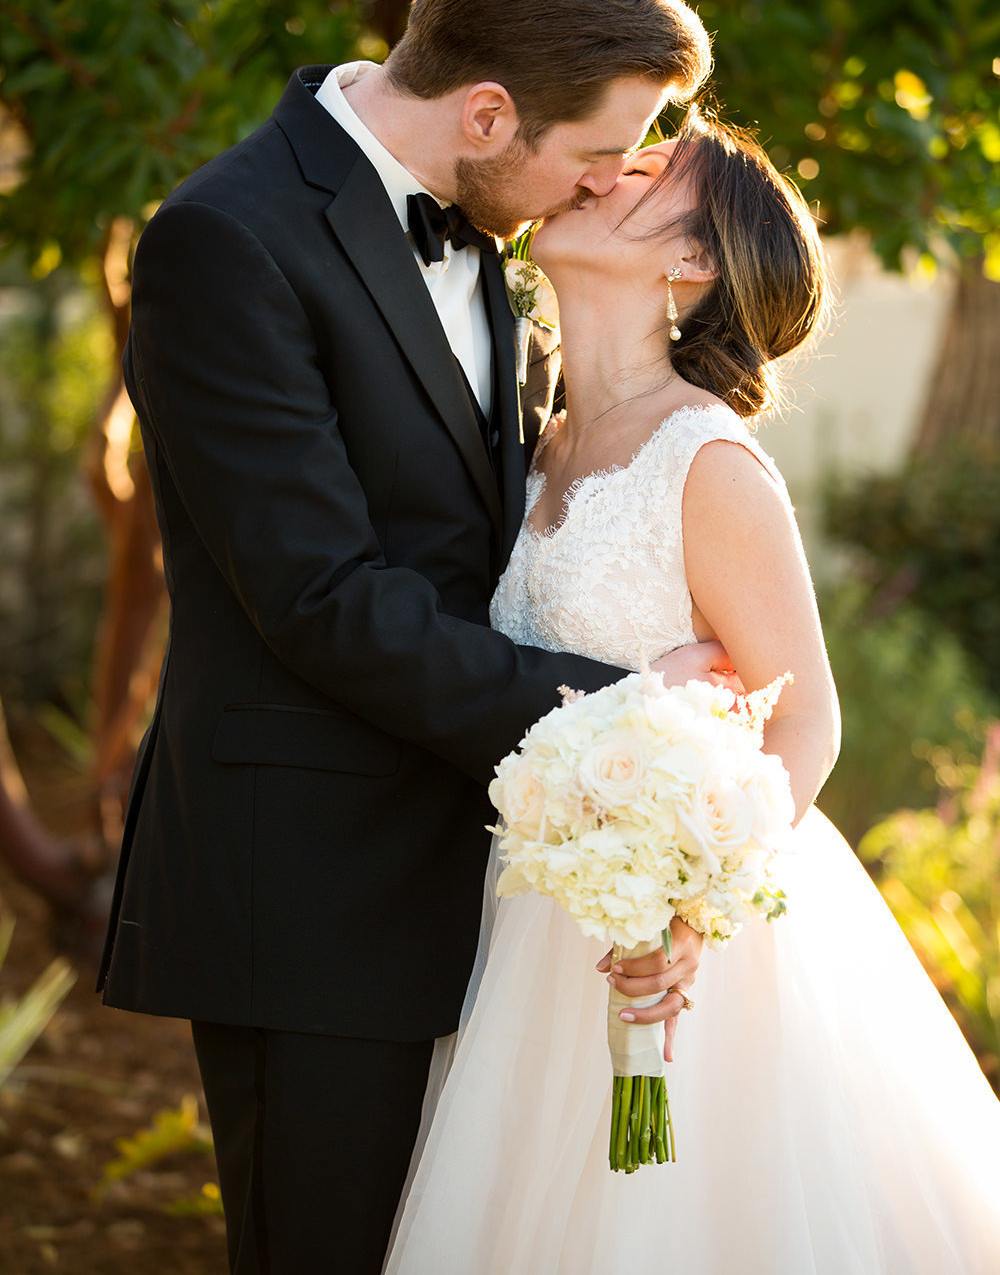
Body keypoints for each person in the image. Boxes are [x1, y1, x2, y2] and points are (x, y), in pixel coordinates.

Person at [96, 0, 728, 1275]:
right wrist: (620, 712)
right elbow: (319, 597)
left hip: (483, 881)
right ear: (488, 111)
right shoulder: (227, 242)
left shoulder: (492, 230)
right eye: (603, 149)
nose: (616, 180)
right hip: (309, 891)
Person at [383, 111, 1000, 1274]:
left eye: (654, 169)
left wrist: (683, 913)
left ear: (692, 262)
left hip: (682, 949)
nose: (612, 169)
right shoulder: (536, 437)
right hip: (532, 923)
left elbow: (804, 719)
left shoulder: (705, 462)